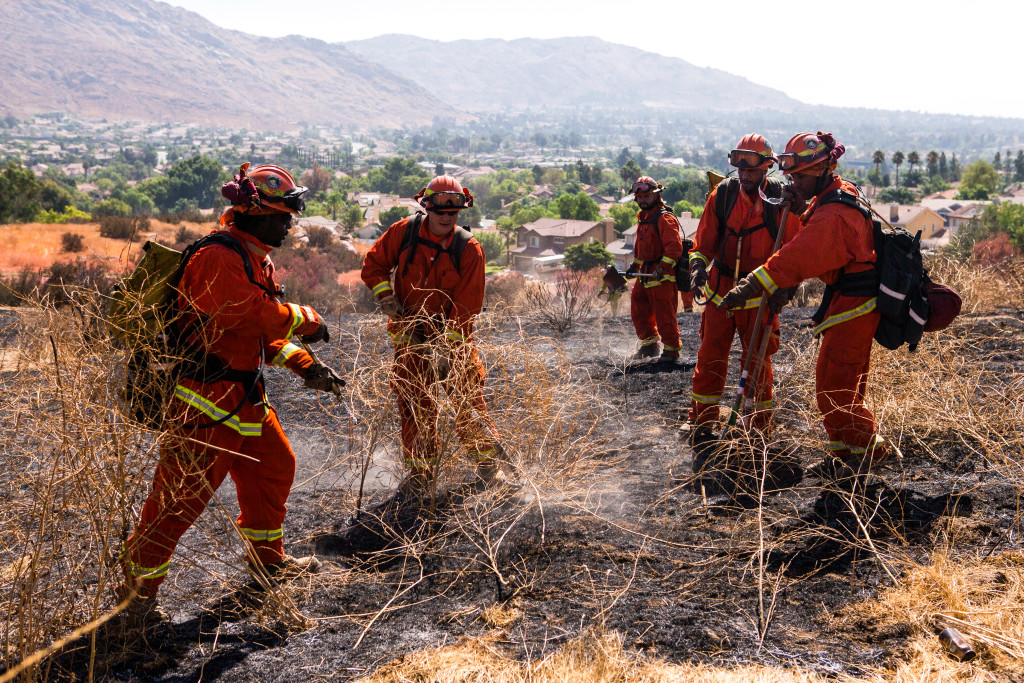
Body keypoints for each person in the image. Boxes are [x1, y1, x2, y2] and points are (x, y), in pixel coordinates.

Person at [117, 163, 342, 629]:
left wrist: (305, 365)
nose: (289, 224)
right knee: (179, 500)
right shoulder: (217, 258)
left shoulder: (254, 257)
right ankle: (135, 601)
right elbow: (254, 314)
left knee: (274, 469)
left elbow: (261, 336)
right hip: (205, 403)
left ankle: (267, 563)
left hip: (243, 399)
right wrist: (306, 317)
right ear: (255, 212)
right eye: (283, 215)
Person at [721, 132, 898, 480]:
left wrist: (751, 285)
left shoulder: (834, 213)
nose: (794, 181)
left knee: (835, 386)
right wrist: (801, 206)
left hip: (855, 305)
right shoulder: (833, 194)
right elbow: (813, 238)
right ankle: (844, 455)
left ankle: (871, 454)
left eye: (801, 176)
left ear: (824, 169)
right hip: (848, 301)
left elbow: (801, 254)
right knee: (837, 383)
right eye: (792, 175)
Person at [361, 175, 503, 499]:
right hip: (409, 336)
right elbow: (373, 266)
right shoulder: (404, 232)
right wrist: (386, 298)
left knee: (467, 405)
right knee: (415, 407)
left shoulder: (469, 251)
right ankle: (421, 477)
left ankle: (490, 468)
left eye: (453, 213)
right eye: (440, 211)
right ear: (426, 207)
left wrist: (446, 350)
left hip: (453, 340)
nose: (446, 218)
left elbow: (467, 308)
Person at [687, 134, 801, 446]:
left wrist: (785, 290)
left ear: (766, 169)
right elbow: (703, 243)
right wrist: (697, 265)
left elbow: (794, 251)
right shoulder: (722, 195)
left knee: (757, 362)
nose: (745, 175)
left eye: (751, 170)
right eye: (740, 169)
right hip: (720, 292)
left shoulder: (781, 202)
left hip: (759, 296)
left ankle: (758, 428)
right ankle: (701, 418)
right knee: (710, 355)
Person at [627, 176, 685, 366]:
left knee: (664, 314)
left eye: (646, 196)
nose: (642, 200)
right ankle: (650, 345)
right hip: (645, 273)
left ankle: (671, 351)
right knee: (638, 307)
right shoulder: (643, 218)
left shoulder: (664, 218)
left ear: (656, 196)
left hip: (662, 276)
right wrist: (634, 266)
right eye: (639, 197)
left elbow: (674, 249)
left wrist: (662, 268)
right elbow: (640, 248)